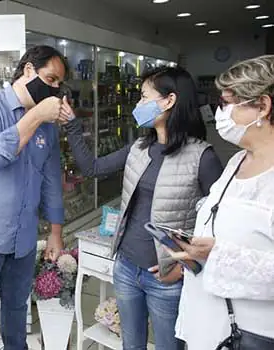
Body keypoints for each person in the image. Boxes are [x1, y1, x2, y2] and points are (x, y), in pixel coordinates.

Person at [61, 66, 223, 350]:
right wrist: (73, 125)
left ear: (169, 101)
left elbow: (218, 225)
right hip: (126, 267)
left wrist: (184, 269)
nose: (138, 104)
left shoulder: (202, 157)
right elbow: (92, 167)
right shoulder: (138, 147)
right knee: (131, 344)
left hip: (166, 278)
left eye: (144, 97)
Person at [0, 45, 67, 350]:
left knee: (17, 306)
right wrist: (34, 116)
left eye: (59, 83)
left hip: (24, 235)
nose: (55, 89)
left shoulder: (49, 126)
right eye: (51, 79)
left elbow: (51, 180)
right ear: (29, 70)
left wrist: (56, 232)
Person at [174, 55, 274, 349]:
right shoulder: (236, 162)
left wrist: (219, 256)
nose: (220, 113)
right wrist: (193, 257)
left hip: (249, 334)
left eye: (228, 103)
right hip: (203, 324)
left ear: (263, 106)